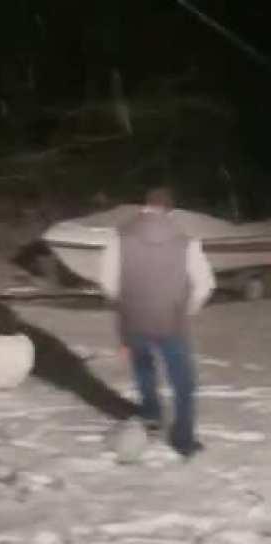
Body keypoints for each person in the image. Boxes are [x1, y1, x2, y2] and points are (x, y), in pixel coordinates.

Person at [100, 186, 216, 458]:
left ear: (145, 206)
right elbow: (205, 284)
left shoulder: (120, 236)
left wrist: (126, 304)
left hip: (134, 322)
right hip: (172, 323)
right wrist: (187, 309)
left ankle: (151, 417)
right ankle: (183, 439)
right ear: (170, 210)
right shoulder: (186, 240)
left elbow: (107, 281)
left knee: (144, 371)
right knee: (183, 383)